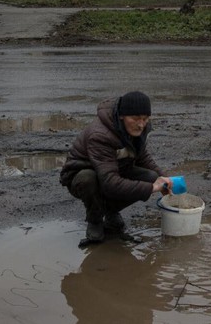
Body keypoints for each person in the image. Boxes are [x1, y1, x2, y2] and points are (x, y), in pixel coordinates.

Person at [60, 91, 173, 243]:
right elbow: (110, 182)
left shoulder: (140, 127)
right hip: (81, 176)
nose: (141, 124)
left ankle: (111, 211)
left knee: (152, 177)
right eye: (135, 119)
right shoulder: (100, 135)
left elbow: (142, 156)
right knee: (88, 179)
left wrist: (164, 178)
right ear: (121, 115)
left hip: (113, 169)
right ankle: (95, 220)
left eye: (145, 119)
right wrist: (152, 188)